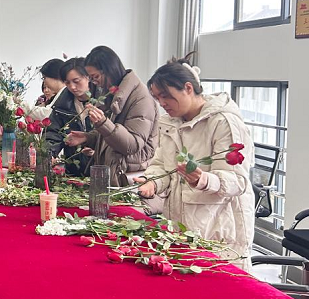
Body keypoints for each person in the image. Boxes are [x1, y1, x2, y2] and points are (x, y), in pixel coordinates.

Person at [136, 58, 255, 269]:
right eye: (157, 97)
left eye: (165, 96)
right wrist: (152, 182)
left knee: (218, 284)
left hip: (217, 229)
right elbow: (162, 164)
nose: (162, 103)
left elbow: (238, 181)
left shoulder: (223, 122)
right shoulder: (170, 123)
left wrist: (204, 180)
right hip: (181, 227)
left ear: (188, 88)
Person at [65, 46, 159, 186]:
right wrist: (88, 137)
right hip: (112, 175)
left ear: (109, 70)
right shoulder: (111, 94)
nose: (94, 82)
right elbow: (110, 137)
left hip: (128, 180)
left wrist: (103, 123)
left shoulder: (141, 98)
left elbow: (131, 145)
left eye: (96, 77)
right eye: (91, 78)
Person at [44, 57, 95, 177]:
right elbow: (52, 134)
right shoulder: (62, 104)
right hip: (73, 172)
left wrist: (96, 149)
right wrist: (48, 155)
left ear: (88, 77)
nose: (72, 87)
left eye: (76, 81)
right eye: (67, 83)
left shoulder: (103, 102)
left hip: (100, 170)